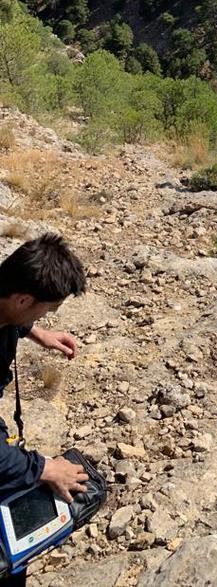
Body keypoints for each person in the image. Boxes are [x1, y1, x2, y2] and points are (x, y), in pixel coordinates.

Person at [0, 234, 89, 586]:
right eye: (47, 308)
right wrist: (45, 468)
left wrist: (39, 332)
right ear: (23, 299)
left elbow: (15, 315)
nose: (48, 313)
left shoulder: (7, 297)